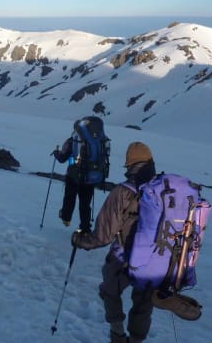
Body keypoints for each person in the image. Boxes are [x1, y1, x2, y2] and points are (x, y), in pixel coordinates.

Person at [70, 141, 157, 343]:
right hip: (155, 260)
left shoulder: (123, 192)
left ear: (129, 165)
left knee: (109, 290)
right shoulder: (163, 191)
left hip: (124, 258)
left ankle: (117, 335)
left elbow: (104, 236)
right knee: (143, 303)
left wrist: (81, 241)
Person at [53, 136, 94, 232]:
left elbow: (62, 158)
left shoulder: (73, 140)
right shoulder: (96, 141)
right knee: (85, 204)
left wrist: (56, 153)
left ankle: (66, 218)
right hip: (89, 178)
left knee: (69, 198)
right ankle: (85, 228)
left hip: (73, 176)